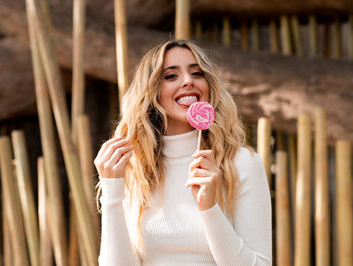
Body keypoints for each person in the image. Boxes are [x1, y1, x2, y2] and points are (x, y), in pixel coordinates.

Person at [94, 39, 272, 265]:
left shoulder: (241, 163)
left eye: (197, 74)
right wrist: (111, 190)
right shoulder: (134, 168)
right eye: (171, 76)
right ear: (151, 92)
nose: (188, 81)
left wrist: (209, 208)